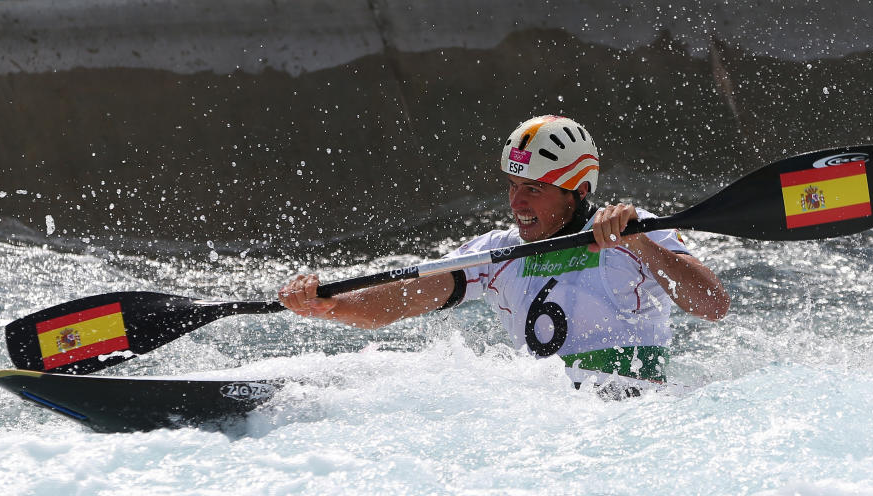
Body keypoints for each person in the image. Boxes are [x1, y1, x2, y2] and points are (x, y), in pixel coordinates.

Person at [279, 115, 730, 394]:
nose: (517, 204)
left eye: (533, 189)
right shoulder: (497, 254)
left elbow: (713, 305)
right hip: (548, 419)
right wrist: (331, 305)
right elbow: (404, 297)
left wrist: (641, 243)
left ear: (577, 193)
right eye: (513, 187)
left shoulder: (635, 233)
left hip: (634, 412)